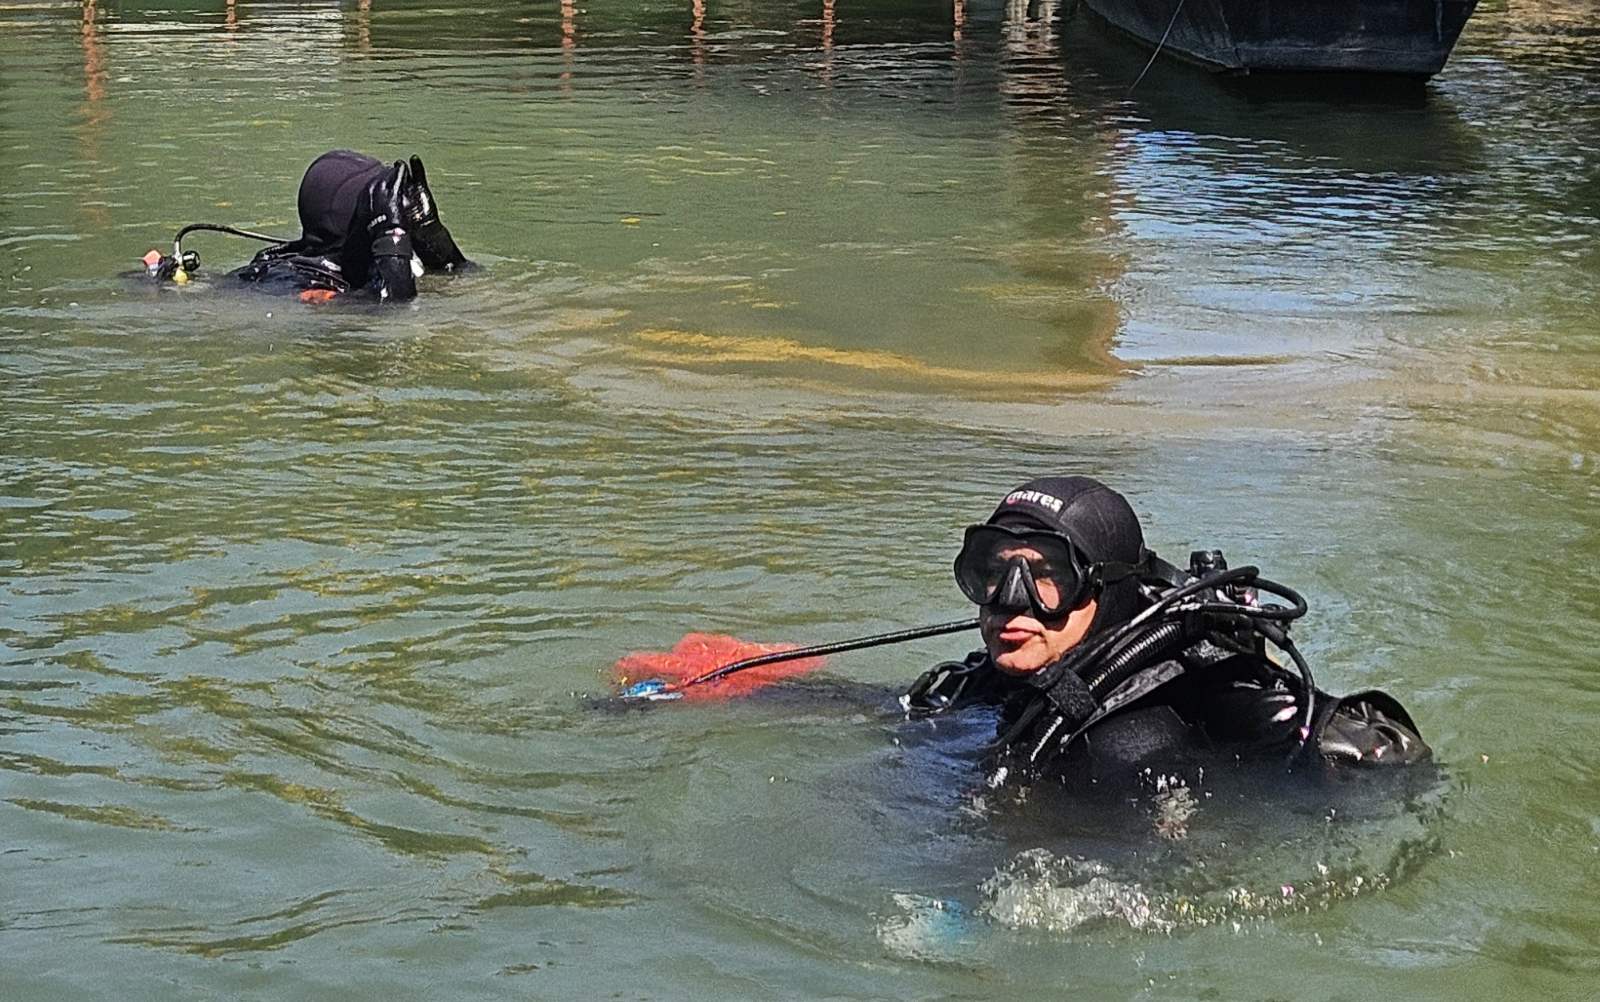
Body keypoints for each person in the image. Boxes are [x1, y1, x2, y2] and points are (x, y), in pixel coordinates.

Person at [903, 475, 1428, 788]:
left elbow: (1389, 755)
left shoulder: (1162, 726)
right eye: (993, 572)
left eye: (1047, 576)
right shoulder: (1009, 680)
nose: (1011, 599)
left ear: (1107, 588)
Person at [231, 150, 471, 303]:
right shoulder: (299, 286)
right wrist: (391, 236)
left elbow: (468, 285)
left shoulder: (369, 267)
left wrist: (431, 235)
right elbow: (396, 317)